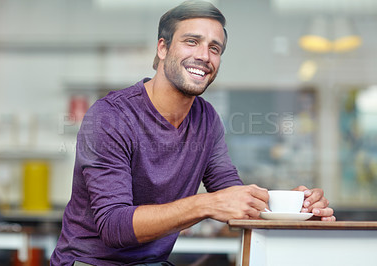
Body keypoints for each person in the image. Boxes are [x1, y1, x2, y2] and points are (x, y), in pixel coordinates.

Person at [50, 1, 335, 265]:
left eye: (215, 48)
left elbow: (230, 194)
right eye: (191, 41)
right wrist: (206, 204)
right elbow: (114, 226)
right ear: (162, 48)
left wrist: (296, 207)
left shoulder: (207, 119)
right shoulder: (110, 116)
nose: (204, 56)